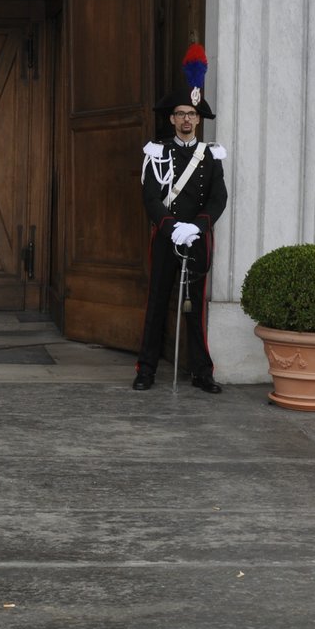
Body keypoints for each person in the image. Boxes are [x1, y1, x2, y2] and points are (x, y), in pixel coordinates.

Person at [134, 44, 228, 393]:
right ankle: (146, 369)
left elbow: (219, 197)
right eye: (181, 114)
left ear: (198, 119)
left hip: (198, 238)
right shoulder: (157, 152)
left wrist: (198, 226)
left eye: (192, 113)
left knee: (195, 309)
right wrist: (172, 227)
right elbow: (150, 197)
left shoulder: (211, 155)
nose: (187, 119)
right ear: (172, 119)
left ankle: (202, 372)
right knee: (157, 302)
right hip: (166, 236)